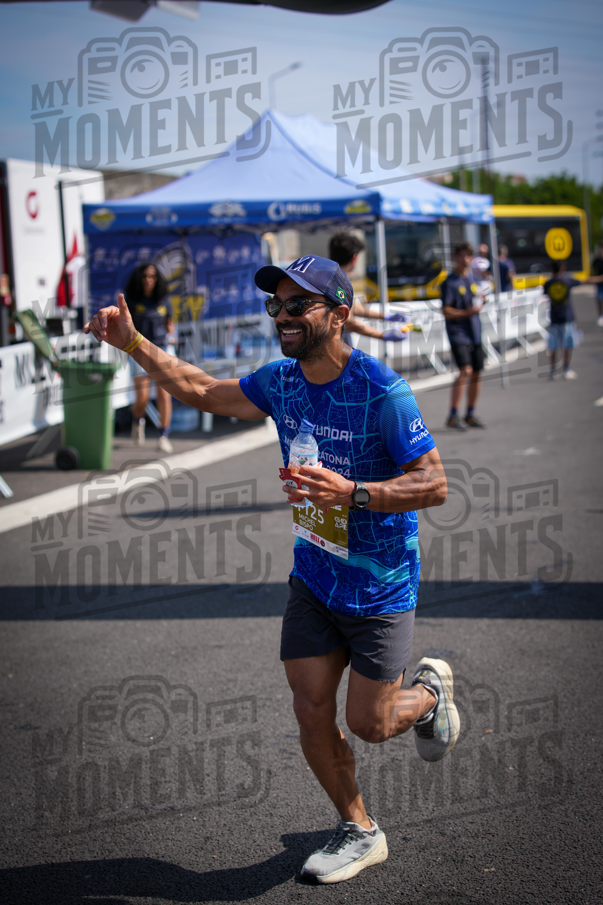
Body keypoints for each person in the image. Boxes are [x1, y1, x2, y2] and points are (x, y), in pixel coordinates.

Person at [84, 254, 460, 886]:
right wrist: (133, 343)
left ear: (338, 315)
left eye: (297, 304)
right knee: (310, 709)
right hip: (314, 576)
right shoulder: (280, 382)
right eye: (275, 305)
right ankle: (359, 828)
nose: (281, 316)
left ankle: (428, 695)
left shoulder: (383, 391)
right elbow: (203, 390)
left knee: (369, 724)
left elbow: (435, 483)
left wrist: (355, 493)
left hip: (380, 585)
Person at [124, 263, 175, 453]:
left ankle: (163, 436)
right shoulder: (132, 301)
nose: (148, 279)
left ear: (157, 279)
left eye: (152, 276)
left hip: (163, 349)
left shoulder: (164, 300)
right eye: (145, 276)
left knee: (165, 395)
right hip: (140, 351)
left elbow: (170, 325)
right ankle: (137, 420)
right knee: (143, 398)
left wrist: (172, 334)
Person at [328, 231, 409, 345]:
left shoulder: (331, 277)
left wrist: (385, 316)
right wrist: (383, 335)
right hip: (333, 347)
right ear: (354, 258)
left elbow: (350, 307)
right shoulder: (337, 280)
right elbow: (348, 322)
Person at [441, 242, 487, 430]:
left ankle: (470, 413)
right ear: (455, 257)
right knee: (465, 371)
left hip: (475, 331)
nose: (466, 259)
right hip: (458, 333)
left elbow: (476, 300)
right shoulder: (449, 282)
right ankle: (453, 414)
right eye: (462, 255)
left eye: (469, 255)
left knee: (476, 373)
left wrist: (482, 301)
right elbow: (446, 310)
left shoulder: (473, 278)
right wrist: (466, 313)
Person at [543, 260, 603, 380]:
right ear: (562, 269)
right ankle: (566, 369)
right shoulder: (567, 280)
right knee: (567, 345)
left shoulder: (548, 283)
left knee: (553, 346)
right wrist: (600, 278)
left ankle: (553, 370)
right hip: (567, 317)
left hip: (554, 318)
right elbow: (585, 280)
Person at [591, 243, 603, 327]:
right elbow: (593, 270)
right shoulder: (596, 261)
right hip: (599, 283)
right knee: (599, 300)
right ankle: (600, 315)